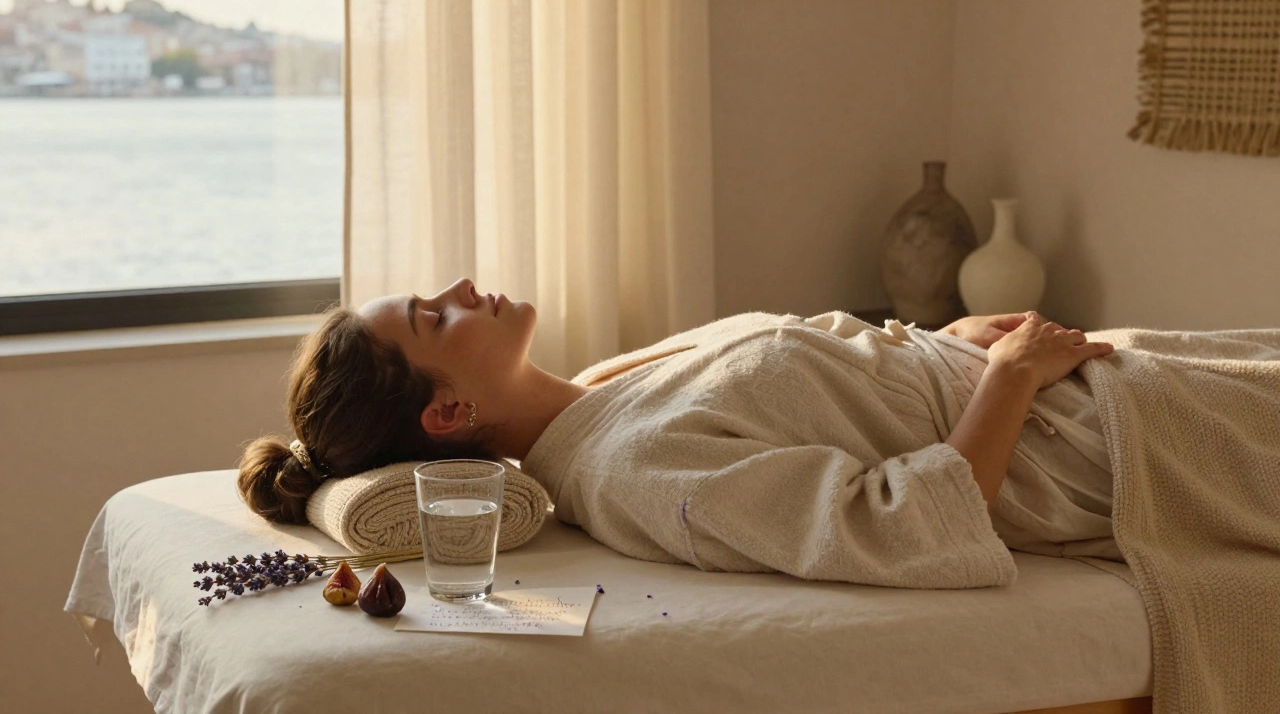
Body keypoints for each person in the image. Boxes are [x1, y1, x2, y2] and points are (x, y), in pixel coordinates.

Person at [238, 277, 1119, 589]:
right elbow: (911, 528)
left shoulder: (597, 393)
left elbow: (833, 382)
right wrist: (1005, 380)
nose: (464, 285)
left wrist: (950, 341)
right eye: (434, 316)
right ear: (447, 414)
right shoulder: (632, 469)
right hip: (1092, 451)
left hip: (1075, 381)